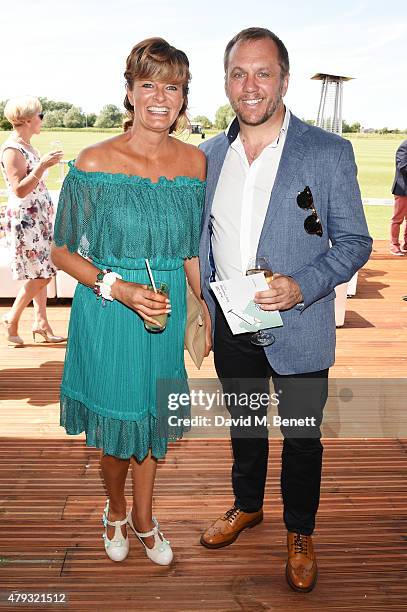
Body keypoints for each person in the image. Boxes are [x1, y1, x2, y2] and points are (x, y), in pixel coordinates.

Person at [198, 27, 372, 592]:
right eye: (239, 73)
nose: (250, 86)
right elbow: (200, 237)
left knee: (301, 436)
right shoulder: (207, 156)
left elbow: (354, 242)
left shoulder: (327, 152)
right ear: (226, 81)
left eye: (263, 73)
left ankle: (301, 531)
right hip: (232, 323)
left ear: (284, 80)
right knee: (245, 426)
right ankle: (246, 505)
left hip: (299, 326)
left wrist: (301, 285)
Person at [51, 38, 210, 565]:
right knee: (118, 431)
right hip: (108, 310)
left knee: (152, 422)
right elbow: (61, 250)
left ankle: (145, 517)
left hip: (165, 309)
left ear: (184, 97)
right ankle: (115, 508)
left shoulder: (193, 164)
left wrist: (202, 302)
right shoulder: (95, 162)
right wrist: (118, 288)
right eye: (149, 85)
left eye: (173, 86)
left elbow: (187, 246)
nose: (161, 97)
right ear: (130, 93)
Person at [0, 95, 65, 345]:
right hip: (26, 220)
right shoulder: (12, 150)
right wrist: (42, 165)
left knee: (43, 269)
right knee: (42, 275)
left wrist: (46, 163)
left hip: (38, 219)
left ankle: (41, 323)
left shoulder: (28, 147)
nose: (42, 119)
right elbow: (19, 190)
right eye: (40, 115)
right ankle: (13, 318)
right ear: (27, 120)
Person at [390, 138, 407, 255]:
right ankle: (394, 245)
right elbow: (403, 166)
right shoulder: (404, 146)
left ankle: (406, 244)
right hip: (403, 189)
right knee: (397, 219)